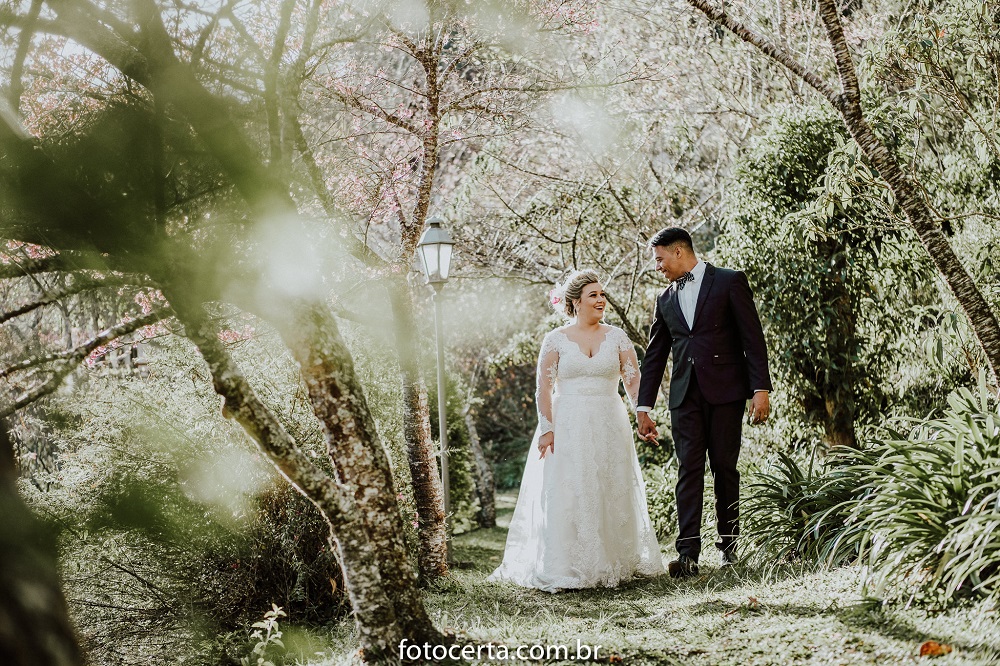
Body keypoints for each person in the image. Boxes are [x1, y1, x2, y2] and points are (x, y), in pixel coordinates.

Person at [487, 270, 664, 592]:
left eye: (602, 294)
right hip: (567, 421)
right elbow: (543, 385)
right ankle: (566, 562)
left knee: (610, 483)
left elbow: (633, 380)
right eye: (593, 295)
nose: (601, 300)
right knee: (571, 486)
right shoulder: (555, 339)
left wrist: (643, 415)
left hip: (609, 418)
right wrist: (547, 428)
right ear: (575, 302)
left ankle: (615, 558)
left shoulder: (618, 337)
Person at [636, 227, 772, 578]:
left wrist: (761, 389)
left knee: (725, 469)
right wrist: (643, 406)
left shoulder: (729, 281)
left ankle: (729, 547)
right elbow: (655, 356)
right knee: (689, 470)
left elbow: (752, 337)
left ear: (679, 252)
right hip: (684, 397)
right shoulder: (665, 299)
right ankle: (687, 555)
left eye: (660, 259)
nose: (658, 267)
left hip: (726, 392)